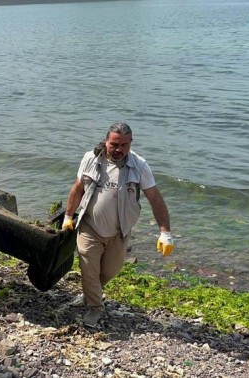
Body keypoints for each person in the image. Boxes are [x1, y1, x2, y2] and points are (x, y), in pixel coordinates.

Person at [62, 121, 175, 328]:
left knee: (110, 271)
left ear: (130, 144)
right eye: (114, 144)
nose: (118, 149)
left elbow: (155, 199)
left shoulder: (139, 166)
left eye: (124, 145)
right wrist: (68, 216)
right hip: (90, 227)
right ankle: (95, 308)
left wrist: (165, 232)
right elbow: (78, 188)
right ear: (106, 141)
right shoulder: (90, 158)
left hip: (119, 232)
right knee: (89, 268)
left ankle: (89, 293)